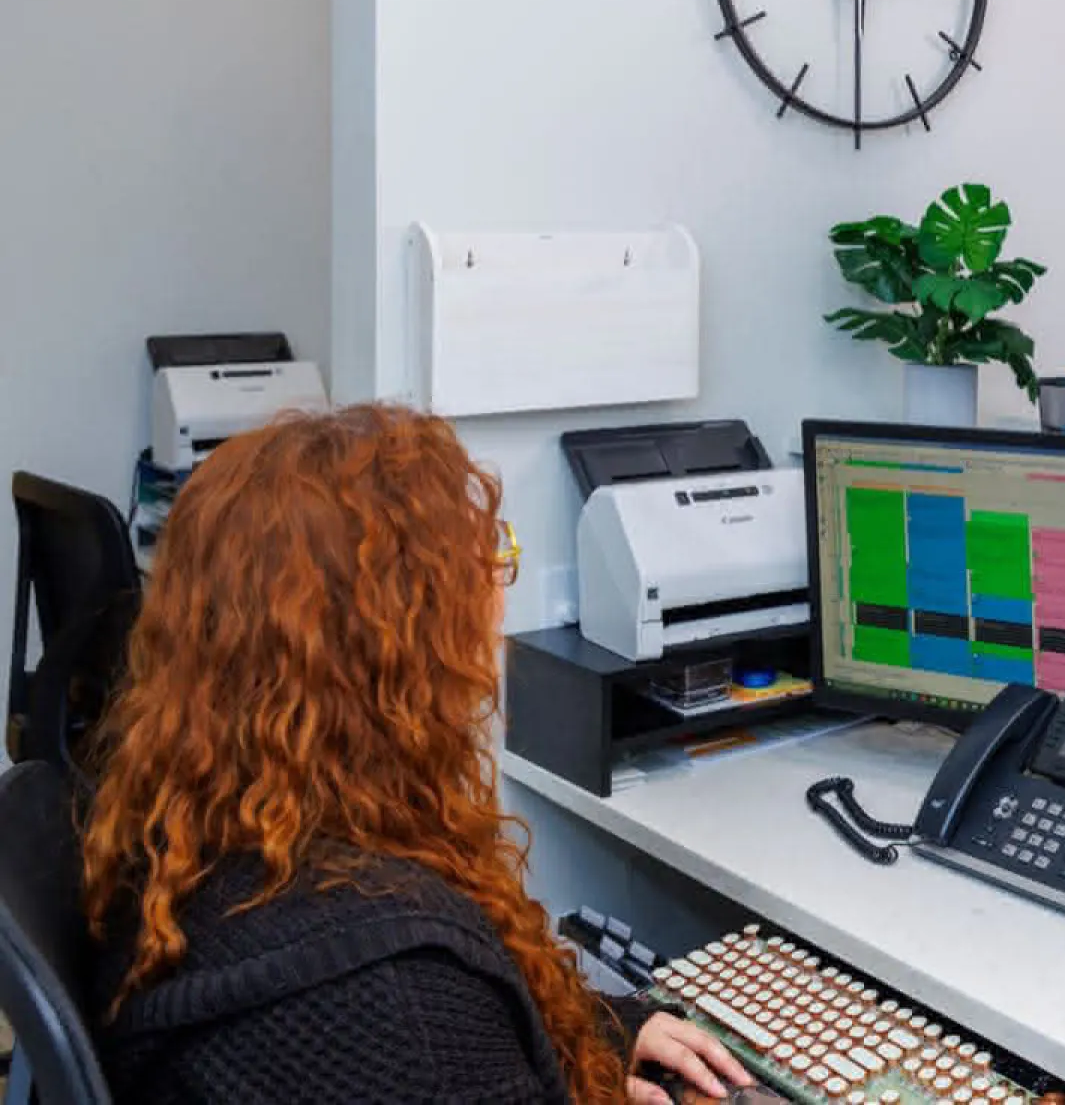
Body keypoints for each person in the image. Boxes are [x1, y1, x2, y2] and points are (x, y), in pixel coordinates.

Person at [79, 403, 758, 1104]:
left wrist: (596, 1037)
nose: (498, 585)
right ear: (394, 643)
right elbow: (423, 1039)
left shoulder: (196, 827)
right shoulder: (398, 998)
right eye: (479, 564)